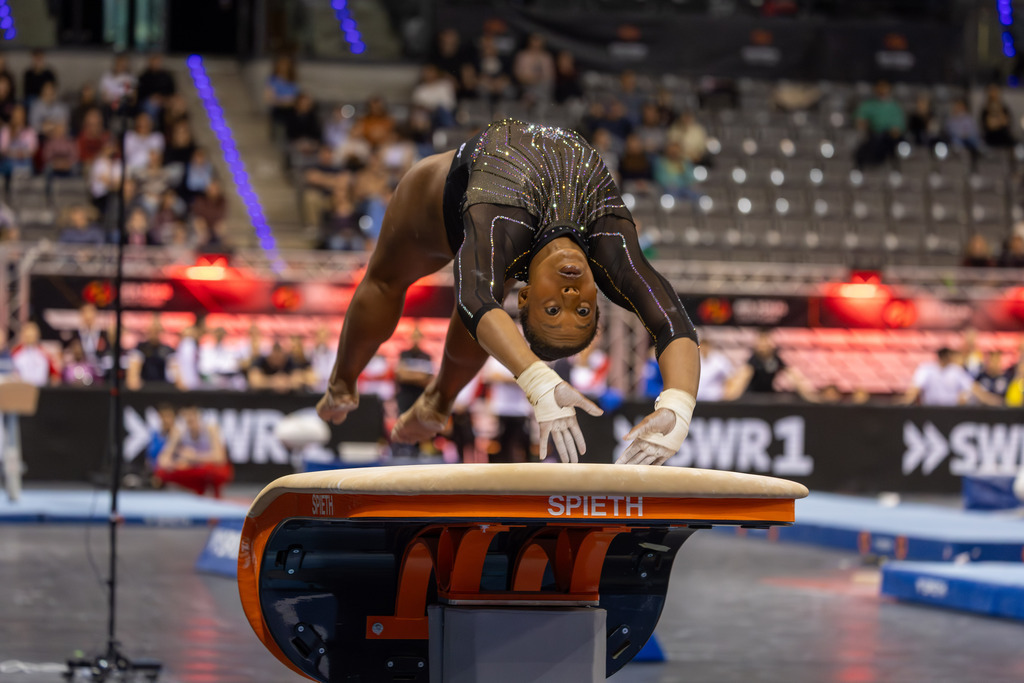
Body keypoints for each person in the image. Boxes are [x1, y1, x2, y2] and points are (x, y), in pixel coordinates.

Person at [315, 119, 700, 466]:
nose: (570, 296)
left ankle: (404, 393)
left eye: (553, 310)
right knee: (426, 282)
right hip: (477, 210)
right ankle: (362, 386)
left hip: (437, 213)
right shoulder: (610, 246)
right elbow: (673, 323)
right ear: (597, 295)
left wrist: (536, 382)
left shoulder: (503, 218)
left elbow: (473, 298)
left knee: (407, 282)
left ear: (526, 297)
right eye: (582, 311)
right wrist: (678, 406)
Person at [155, 405, 232, 498]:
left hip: (207, 468)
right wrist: (176, 464)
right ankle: (192, 494)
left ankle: (212, 495)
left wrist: (194, 457)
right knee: (161, 472)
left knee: (217, 471)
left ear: (199, 418)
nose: (190, 423)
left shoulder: (211, 428)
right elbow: (163, 460)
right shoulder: (179, 429)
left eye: (192, 420)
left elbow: (220, 458)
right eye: (187, 420)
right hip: (192, 469)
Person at [731, 329, 815, 400]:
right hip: (752, 396)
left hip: (769, 396)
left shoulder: (776, 358)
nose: (763, 345)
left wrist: (811, 397)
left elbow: (794, 376)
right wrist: (731, 400)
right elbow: (742, 378)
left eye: (766, 340)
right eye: (761, 341)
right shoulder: (753, 359)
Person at [899, 347, 1000, 406]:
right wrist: (902, 402)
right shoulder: (926, 369)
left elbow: (975, 389)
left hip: (950, 411)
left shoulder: (955, 370)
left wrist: (995, 401)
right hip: (930, 410)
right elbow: (913, 391)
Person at [392, 326, 434, 459]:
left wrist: (410, 375)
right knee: (402, 420)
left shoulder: (427, 356)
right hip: (404, 396)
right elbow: (401, 375)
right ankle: (401, 448)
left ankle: (416, 449)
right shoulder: (403, 354)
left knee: (419, 422)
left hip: (420, 396)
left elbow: (428, 379)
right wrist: (418, 376)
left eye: (418, 336)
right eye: (413, 336)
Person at [483, 356, 533, 463]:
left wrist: (502, 378)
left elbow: (529, 379)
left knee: (521, 446)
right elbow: (488, 377)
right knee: (500, 447)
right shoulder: (494, 359)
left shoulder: (523, 358)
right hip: (501, 409)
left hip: (520, 410)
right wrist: (514, 379)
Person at [854, 80, 905, 169]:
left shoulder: (895, 107)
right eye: (880, 89)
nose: (883, 91)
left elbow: (898, 128)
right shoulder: (870, 105)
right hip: (874, 136)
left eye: (885, 89)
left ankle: (895, 167)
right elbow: (860, 119)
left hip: (890, 139)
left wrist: (894, 132)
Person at [127, 318, 175, 389]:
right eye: (152, 331)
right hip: (145, 388)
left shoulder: (167, 350)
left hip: (163, 388)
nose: (154, 334)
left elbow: (175, 373)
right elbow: (133, 374)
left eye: (157, 331)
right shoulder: (141, 348)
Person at [11, 322, 59, 387]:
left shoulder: (45, 353)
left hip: (41, 389)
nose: (30, 338)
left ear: (37, 336)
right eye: (27, 336)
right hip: (21, 389)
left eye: (32, 336)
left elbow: (54, 374)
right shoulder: (15, 353)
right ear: (23, 336)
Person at [136, 53, 176, 117]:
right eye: (154, 61)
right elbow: (141, 94)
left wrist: (164, 99)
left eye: (157, 61)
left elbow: (172, 91)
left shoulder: (166, 76)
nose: (156, 63)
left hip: (165, 100)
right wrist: (153, 97)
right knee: (151, 105)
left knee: (176, 105)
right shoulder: (144, 77)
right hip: (149, 101)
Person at [946, 98, 982, 167]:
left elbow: (974, 130)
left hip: (969, 139)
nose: (958, 108)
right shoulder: (951, 120)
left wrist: (966, 134)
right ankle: (958, 151)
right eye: (957, 106)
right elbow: (951, 131)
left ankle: (980, 149)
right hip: (958, 139)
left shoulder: (969, 118)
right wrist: (961, 134)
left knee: (973, 139)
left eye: (960, 106)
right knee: (955, 139)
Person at [981, 84, 1015, 149]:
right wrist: (999, 122)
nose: (994, 94)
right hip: (991, 137)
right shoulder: (985, 110)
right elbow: (990, 125)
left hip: (1004, 135)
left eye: (996, 92)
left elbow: (1006, 123)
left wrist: (999, 111)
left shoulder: (1004, 108)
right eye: (992, 92)